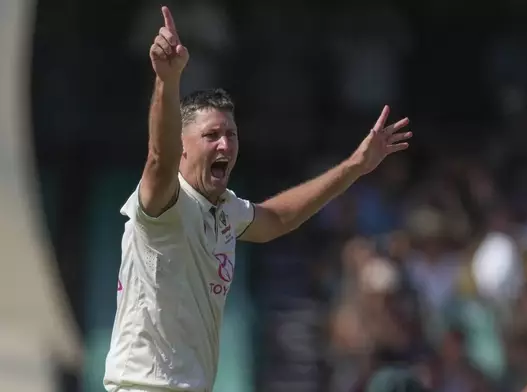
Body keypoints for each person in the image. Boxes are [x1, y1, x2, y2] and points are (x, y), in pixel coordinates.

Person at [103, 6, 413, 392]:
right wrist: (168, 80)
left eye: (231, 135)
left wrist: (354, 165)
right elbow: (158, 157)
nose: (225, 144)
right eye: (212, 135)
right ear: (182, 149)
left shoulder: (226, 210)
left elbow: (279, 219)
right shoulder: (165, 204)